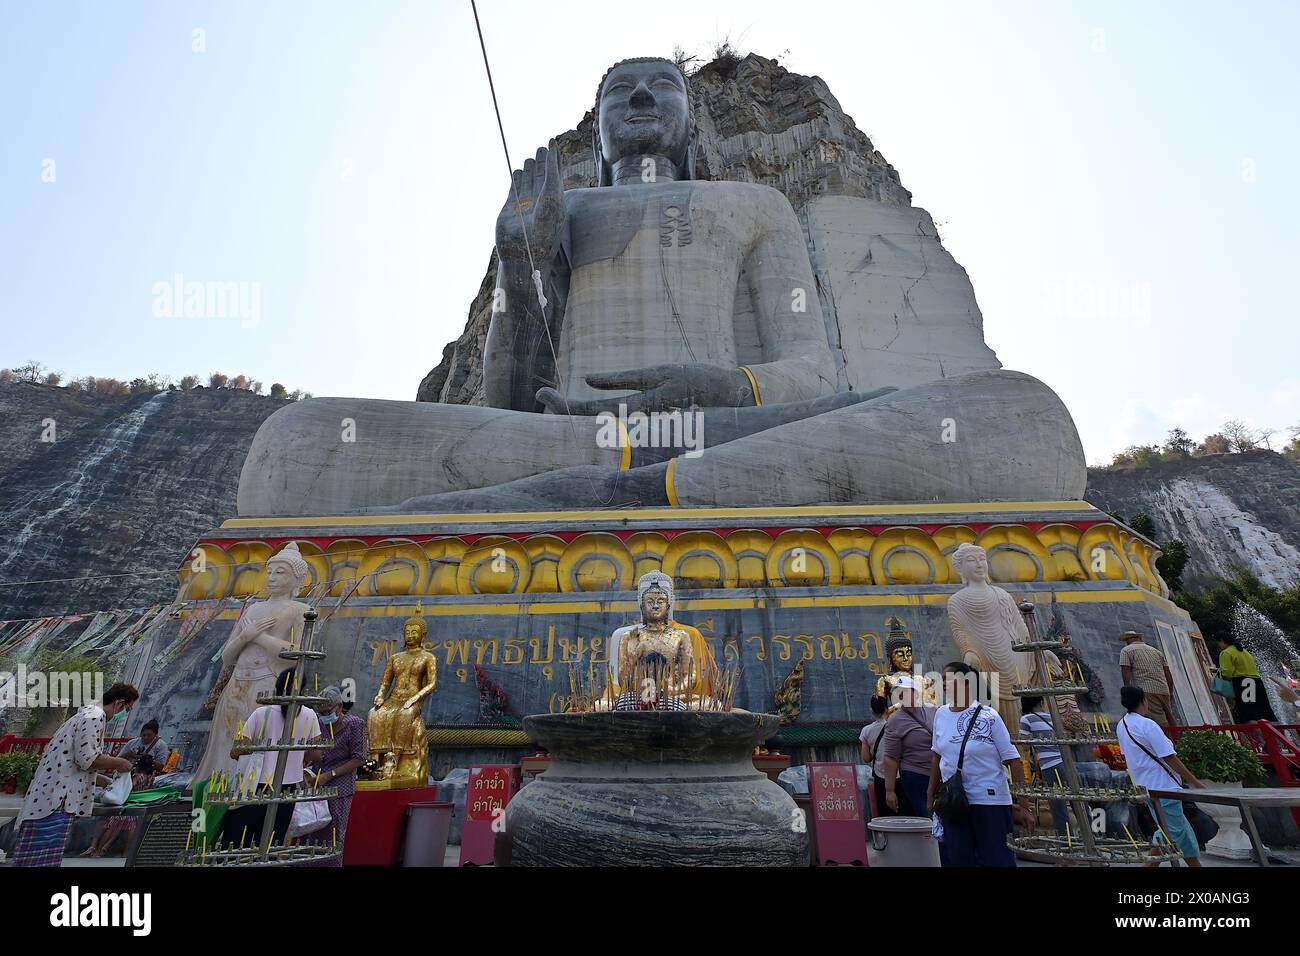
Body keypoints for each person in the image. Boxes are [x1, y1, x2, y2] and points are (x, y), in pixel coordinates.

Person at [11, 683, 138, 867]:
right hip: (56, 801)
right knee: (40, 859)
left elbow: (73, 761)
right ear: (119, 704)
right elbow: (87, 758)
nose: (124, 713)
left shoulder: (84, 716)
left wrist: (102, 780)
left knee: (39, 859)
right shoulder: (94, 717)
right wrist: (121, 763)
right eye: (127, 708)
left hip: (51, 797)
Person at [927, 662, 1034, 867]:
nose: (943, 684)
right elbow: (936, 757)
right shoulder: (940, 714)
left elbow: (1013, 761)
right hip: (954, 802)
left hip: (989, 802)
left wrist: (1024, 806)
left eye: (947, 679)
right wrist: (930, 795)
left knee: (997, 860)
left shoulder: (989, 716)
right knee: (959, 858)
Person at [216, 669, 322, 848]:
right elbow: (317, 752)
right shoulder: (309, 715)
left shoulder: (262, 713)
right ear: (302, 689)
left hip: (255, 786)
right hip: (288, 790)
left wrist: (259, 750)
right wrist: (299, 760)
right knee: (272, 844)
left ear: (278, 687)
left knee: (238, 842)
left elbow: (236, 751)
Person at [1116, 685, 1204, 867]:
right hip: (1164, 786)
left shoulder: (1122, 724)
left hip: (1145, 786)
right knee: (1170, 833)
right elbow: (1169, 756)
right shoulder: (1147, 724)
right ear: (1143, 701)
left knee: (1183, 833)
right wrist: (1195, 781)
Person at [83, 718, 170, 857]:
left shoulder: (160, 746)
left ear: (156, 735)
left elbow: (161, 765)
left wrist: (147, 761)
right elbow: (118, 758)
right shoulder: (132, 743)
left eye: (149, 736)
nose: (146, 738)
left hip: (137, 789)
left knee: (117, 822)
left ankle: (101, 849)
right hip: (124, 780)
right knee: (119, 821)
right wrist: (129, 754)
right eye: (144, 735)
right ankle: (109, 850)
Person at [305, 685, 367, 865]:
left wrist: (330, 774)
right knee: (310, 831)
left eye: (328, 711)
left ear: (339, 707)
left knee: (333, 833)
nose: (324, 715)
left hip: (340, 785)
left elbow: (360, 758)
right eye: (321, 712)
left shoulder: (355, 724)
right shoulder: (317, 721)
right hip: (315, 782)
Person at [879, 677, 937, 818]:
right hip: (916, 775)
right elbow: (891, 757)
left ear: (915, 693)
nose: (902, 695)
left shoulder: (933, 711)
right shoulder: (895, 720)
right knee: (928, 817)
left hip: (940, 773)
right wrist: (890, 790)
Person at [1019, 696, 1068, 835]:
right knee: (1076, 802)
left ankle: (1067, 841)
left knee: (1058, 806)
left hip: (1049, 765)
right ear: (1042, 702)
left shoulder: (1026, 719)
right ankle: (1087, 838)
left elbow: (1024, 746)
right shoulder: (1052, 717)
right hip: (1065, 763)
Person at [1214, 636, 1278, 723]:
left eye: (1218, 643)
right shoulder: (1244, 651)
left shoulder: (1226, 653)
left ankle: (1257, 736)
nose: (1218, 645)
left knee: (1249, 716)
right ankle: (1272, 735)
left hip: (1245, 685)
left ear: (1222, 641)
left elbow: (1227, 673)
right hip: (1257, 683)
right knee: (1263, 714)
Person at [1119, 631, 1177, 727]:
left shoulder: (1127, 650)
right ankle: (1179, 739)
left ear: (1128, 640)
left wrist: (1127, 689)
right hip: (1163, 689)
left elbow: (1126, 670)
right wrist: (1170, 691)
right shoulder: (1156, 652)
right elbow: (1167, 673)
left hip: (1146, 690)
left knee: (1158, 722)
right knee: (1169, 716)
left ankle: (1167, 740)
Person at [859, 695, 890, 816]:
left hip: (880, 777)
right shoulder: (895, 726)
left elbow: (866, 758)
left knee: (884, 813)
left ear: (871, 709)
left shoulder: (866, 731)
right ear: (887, 708)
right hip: (899, 776)